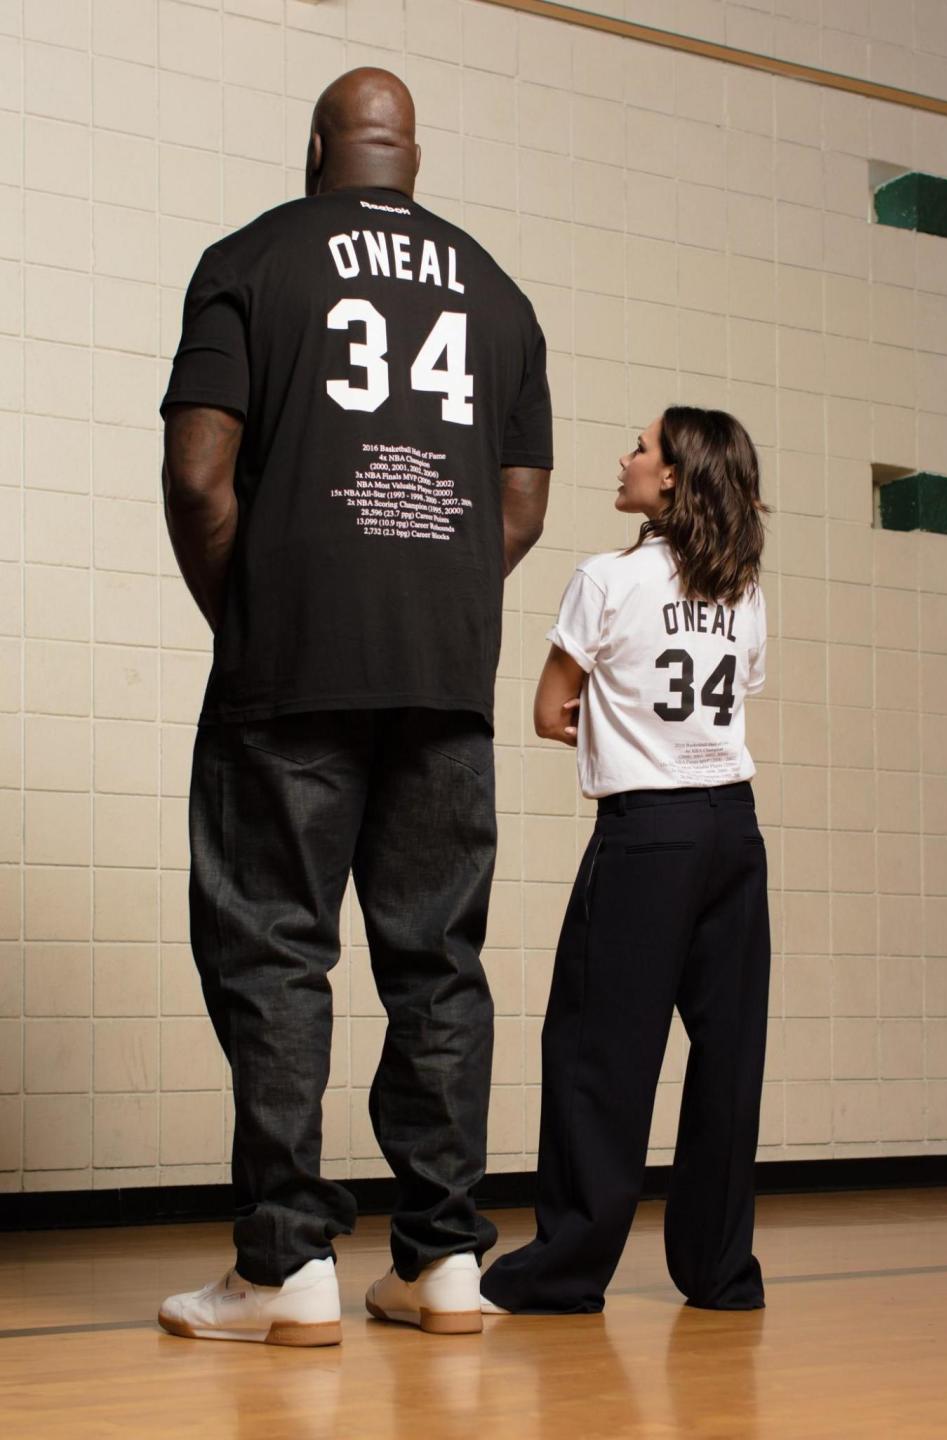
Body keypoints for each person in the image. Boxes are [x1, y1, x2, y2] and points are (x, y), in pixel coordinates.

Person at [157, 69, 552, 1347]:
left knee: (276, 949)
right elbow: (524, 503)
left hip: (293, 665)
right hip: (443, 670)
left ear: (317, 147)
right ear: (415, 160)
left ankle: (287, 1271)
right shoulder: (497, 290)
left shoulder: (250, 259)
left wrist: (253, 613)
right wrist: (425, 596)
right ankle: (443, 1261)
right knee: (439, 963)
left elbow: (198, 475)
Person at [480, 407, 770, 1316]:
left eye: (641, 448)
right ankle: (721, 1275)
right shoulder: (744, 588)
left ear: (677, 475)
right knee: (728, 1059)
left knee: (596, 1053)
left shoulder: (605, 578)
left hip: (650, 836)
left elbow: (547, 709)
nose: (626, 457)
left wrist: (610, 721)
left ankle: (566, 1270)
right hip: (735, 830)